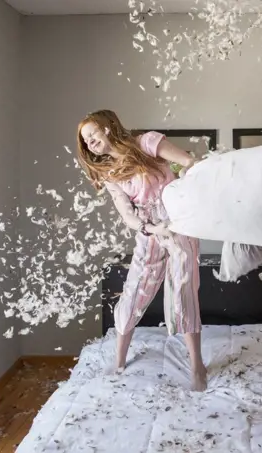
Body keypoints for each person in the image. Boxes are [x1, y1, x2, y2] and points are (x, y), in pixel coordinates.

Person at [76, 110, 207, 391]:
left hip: (180, 223)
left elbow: (188, 163)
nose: (89, 143)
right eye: (85, 140)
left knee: (183, 290)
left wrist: (183, 185)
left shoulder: (148, 143)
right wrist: (154, 230)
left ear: (108, 128)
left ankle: (197, 366)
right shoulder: (110, 175)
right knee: (135, 290)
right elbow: (128, 216)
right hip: (150, 231)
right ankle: (119, 360)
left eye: (92, 134)